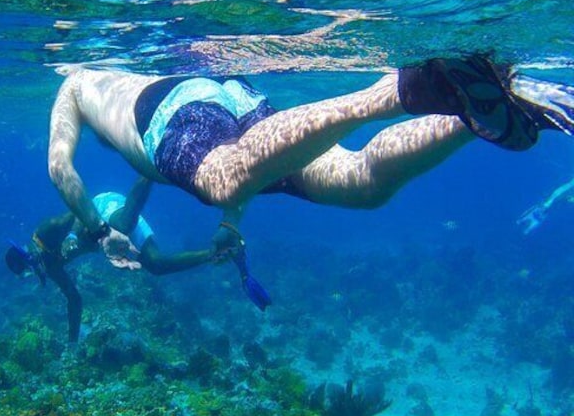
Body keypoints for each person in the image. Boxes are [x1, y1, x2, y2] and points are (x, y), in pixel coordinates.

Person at [47, 54, 574, 264]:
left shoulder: (77, 82)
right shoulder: (114, 74)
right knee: (360, 183)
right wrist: (234, 219)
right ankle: (477, 111)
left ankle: (397, 92)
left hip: (169, 109)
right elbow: (246, 149)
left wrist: (92, 227)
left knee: (223, 178)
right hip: (233, 94)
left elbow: (60, 169)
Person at [5, 177, 270, 342]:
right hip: (106, 238)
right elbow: (74, 298)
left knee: (121, 221)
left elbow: (75, 212)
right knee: (155, 266)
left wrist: (85, 235)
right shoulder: (50, 267)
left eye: (32, 266)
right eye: (32, 272)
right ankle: (219, 253)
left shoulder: (46, 232)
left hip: (102, 210)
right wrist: (72, 341)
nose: (38, 269)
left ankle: (150, 169)